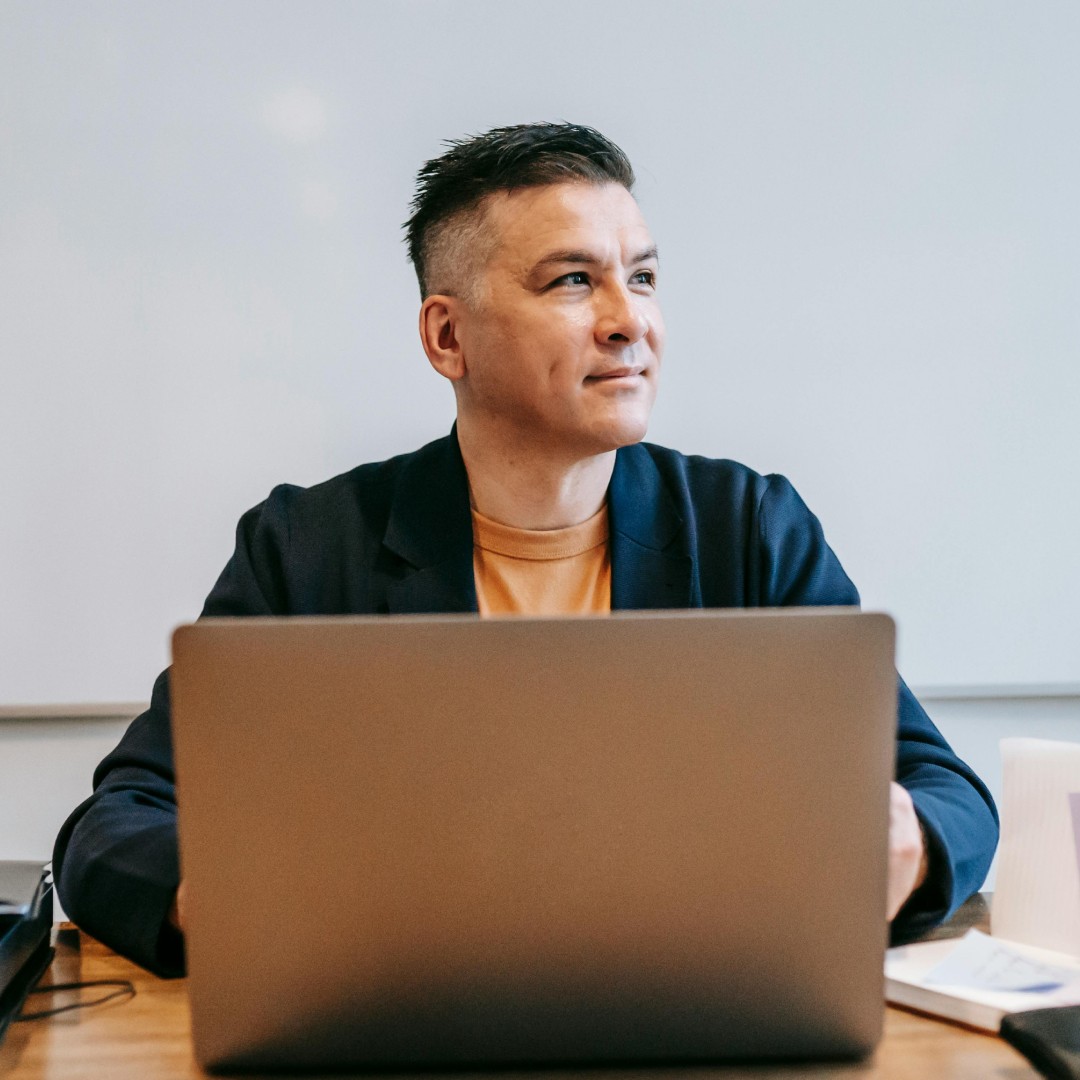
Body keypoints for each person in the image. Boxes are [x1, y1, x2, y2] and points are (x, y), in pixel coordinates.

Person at [53, 122, 998, 978]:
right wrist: (226, 899)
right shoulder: (308, 549)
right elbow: (114, 824)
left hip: (695, 1002)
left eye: (645, 277)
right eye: (574, 280)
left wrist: (907, 841)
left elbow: (946, 791)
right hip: (396, 1010)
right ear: (448, 334)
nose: (630, 320)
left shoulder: (747, 526)